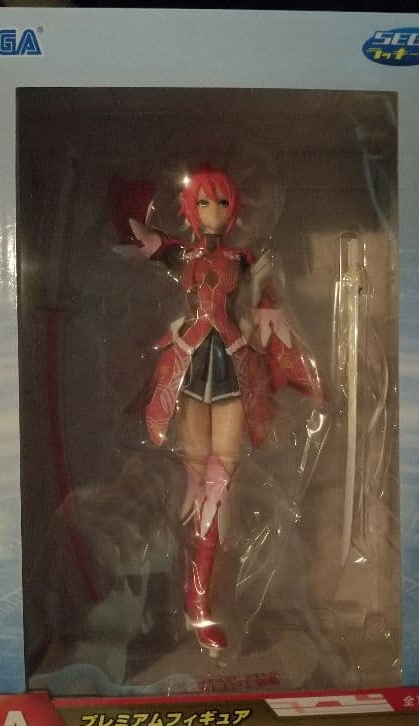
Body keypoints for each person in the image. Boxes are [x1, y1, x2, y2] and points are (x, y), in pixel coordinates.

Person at [130, 168, 323, 656]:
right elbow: (144, 241)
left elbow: (267, 316)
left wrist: (292, 361)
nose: (213, 212)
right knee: (196, 481)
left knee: (221, 483)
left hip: (234, 366)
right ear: (190, 209)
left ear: (233, 209)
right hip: (191, 366)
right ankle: (194, 602)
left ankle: (201, 601)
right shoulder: (182, 255)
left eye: (221, 203)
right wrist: (136, 220)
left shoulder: (245, 259)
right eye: (203, 203)